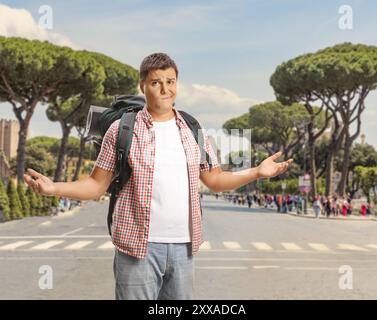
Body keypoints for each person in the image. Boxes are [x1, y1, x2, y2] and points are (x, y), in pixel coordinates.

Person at [24, 53, 293, 300]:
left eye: (171, 81)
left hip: (184, 248)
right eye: (156, 82)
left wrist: (256, 171)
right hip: (137, 247)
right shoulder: (121, 130)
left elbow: (214, 179)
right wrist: (53, 188)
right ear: (143, 86)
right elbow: (96, 185)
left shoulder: (193, 130)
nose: (165, 89)